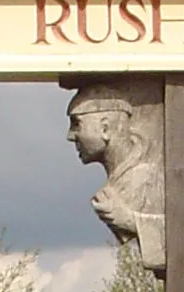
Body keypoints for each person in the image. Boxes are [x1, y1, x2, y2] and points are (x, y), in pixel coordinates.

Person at [66, 86, 165, 271]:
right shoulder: (124, 179)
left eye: (76, 124)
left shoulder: (147, 179)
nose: (70, 136)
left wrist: (129, 220)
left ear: (105, 128)